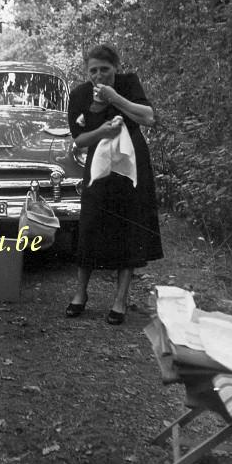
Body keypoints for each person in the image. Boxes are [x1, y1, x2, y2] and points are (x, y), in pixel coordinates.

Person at [65, 44, 163, 325]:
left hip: (132, 165)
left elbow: (149, 117)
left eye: (105, 70)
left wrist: (114, 97)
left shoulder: (128, 84)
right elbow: (79, 139)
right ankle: (80, 293)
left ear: (116, 68)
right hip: (99, 166)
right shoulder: (80, 94)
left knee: (129, 226)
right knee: (90, 224)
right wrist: (102, 131)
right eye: (93, 70)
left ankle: (121, 299)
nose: (99, 75)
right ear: (87, 71)